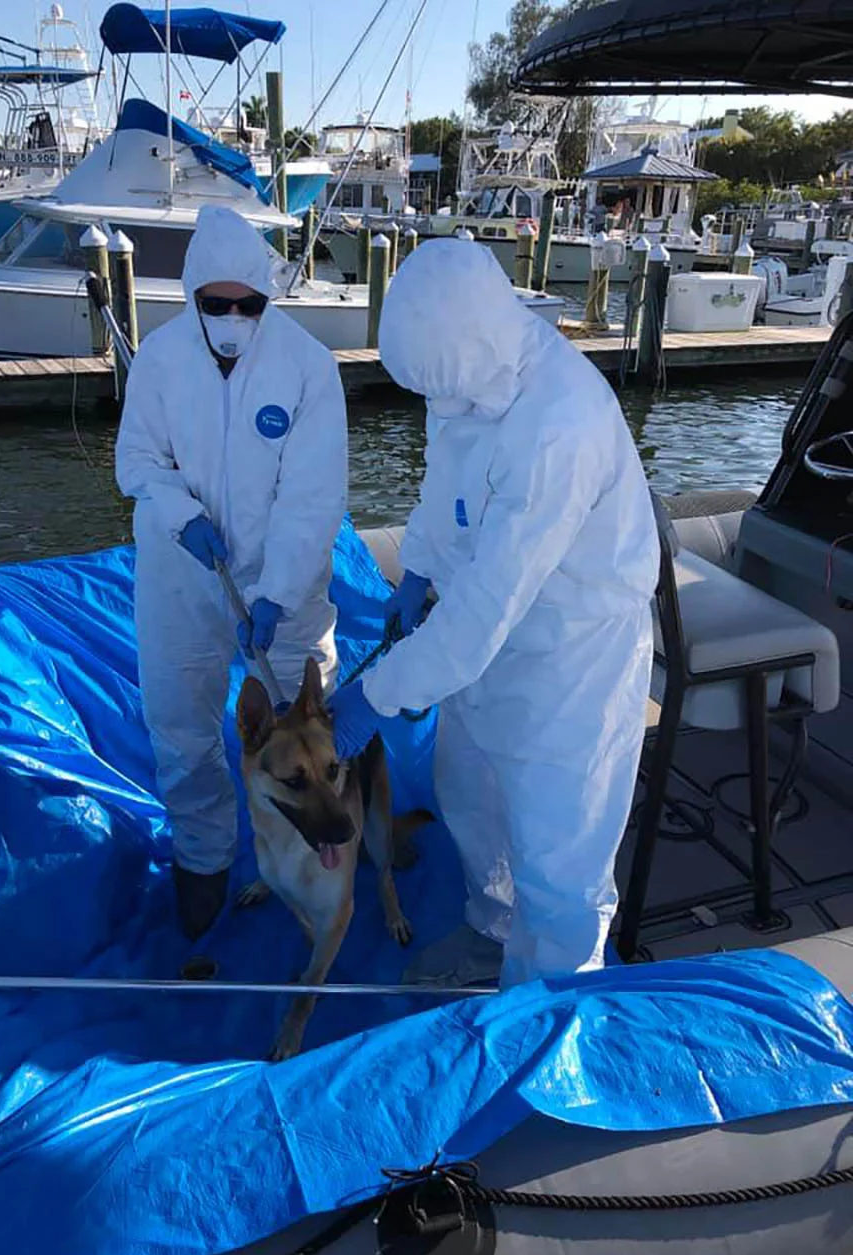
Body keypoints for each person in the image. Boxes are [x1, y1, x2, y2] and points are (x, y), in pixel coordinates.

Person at [328, 238, 658, 989]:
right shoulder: (469, 377)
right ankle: (490, 931)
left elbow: (481, 615)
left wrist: (374, 698)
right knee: (471, 792)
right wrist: (416, 569)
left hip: (572, 650)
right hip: (493, 636)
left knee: (556, 845)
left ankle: (554, 1002)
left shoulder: (558, 423)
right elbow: (447, 486)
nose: (436, 409)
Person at [116, 205, 347, 940]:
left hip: (284, 587)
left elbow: (313, 499)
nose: (232, 316)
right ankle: (203, 857)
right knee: (181, 723)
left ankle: (317, 850)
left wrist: (276, 593)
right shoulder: (158, 359)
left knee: (309, 728)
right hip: (181, 575)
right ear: (192, 299)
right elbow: (140, 464)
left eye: (248, 304)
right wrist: (181, 514)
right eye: (216, 305)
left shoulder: (309, 368)